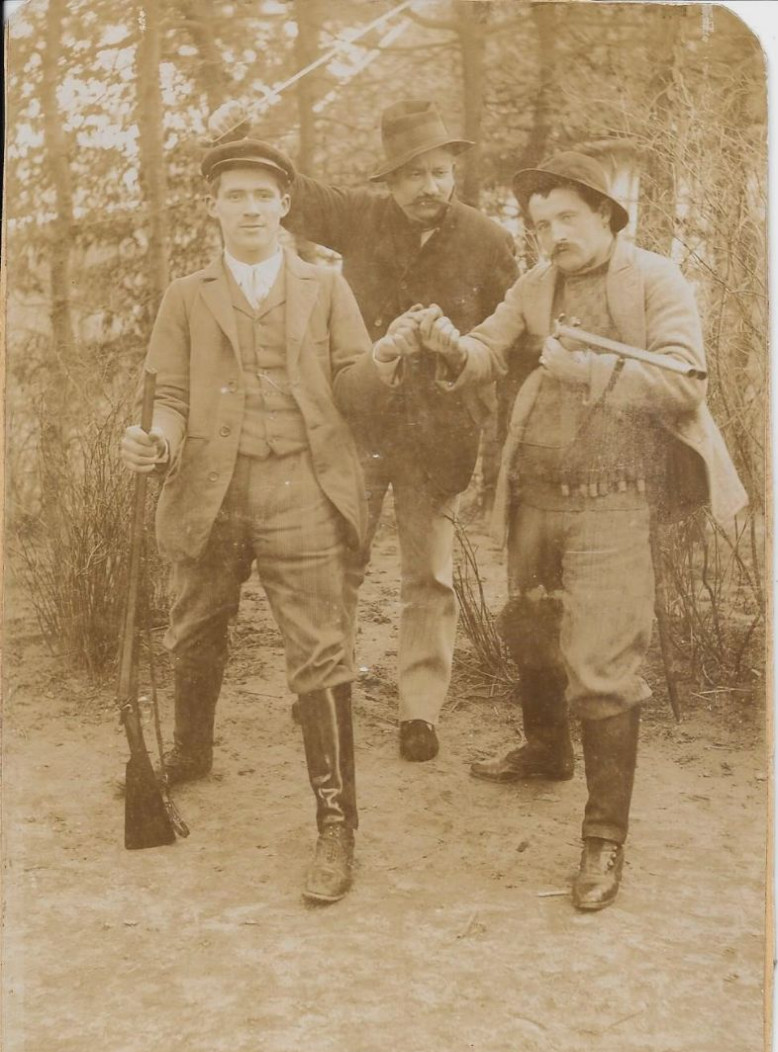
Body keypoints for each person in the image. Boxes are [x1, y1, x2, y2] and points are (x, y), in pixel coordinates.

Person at [413, 150, 747, 910]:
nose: (552, 235)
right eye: (540, 225)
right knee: (529, 627)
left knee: (600, 663)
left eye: (568, 218)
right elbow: (485, 351)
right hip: (535, 492)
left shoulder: (657, 280)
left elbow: (681, 381)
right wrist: (446, 346)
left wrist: (586, 372)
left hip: (615, 498)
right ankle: (544, 750)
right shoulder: (538, 284)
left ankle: (604, 841)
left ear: (605, 216)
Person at [119, 128, 395, 904]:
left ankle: (336, 825)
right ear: (214, 209)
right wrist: (155, 444)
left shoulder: (326, 287)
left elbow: (354, 387)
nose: (248, 208)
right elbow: (167, 396)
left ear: (284, 206)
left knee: (321, 653)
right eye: (233, 196)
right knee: (194, 628)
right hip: (210, 486)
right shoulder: (185, 296)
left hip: (300, 487)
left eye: (262, 196)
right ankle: (191, 753)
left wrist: (388, 360)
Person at [210, 98, 517, 762]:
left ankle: (420, 711)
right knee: (338, 558)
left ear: (452, 170)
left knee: (428, 575)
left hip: (442, 435)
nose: (427, 188)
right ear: (389, 181)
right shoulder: (358, 218)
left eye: (437, 172)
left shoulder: (491, 242)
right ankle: (326, 683)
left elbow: (509, 344)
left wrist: (460, 356)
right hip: (360, 426)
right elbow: (290, 186)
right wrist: (241, 132)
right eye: (411, 176)